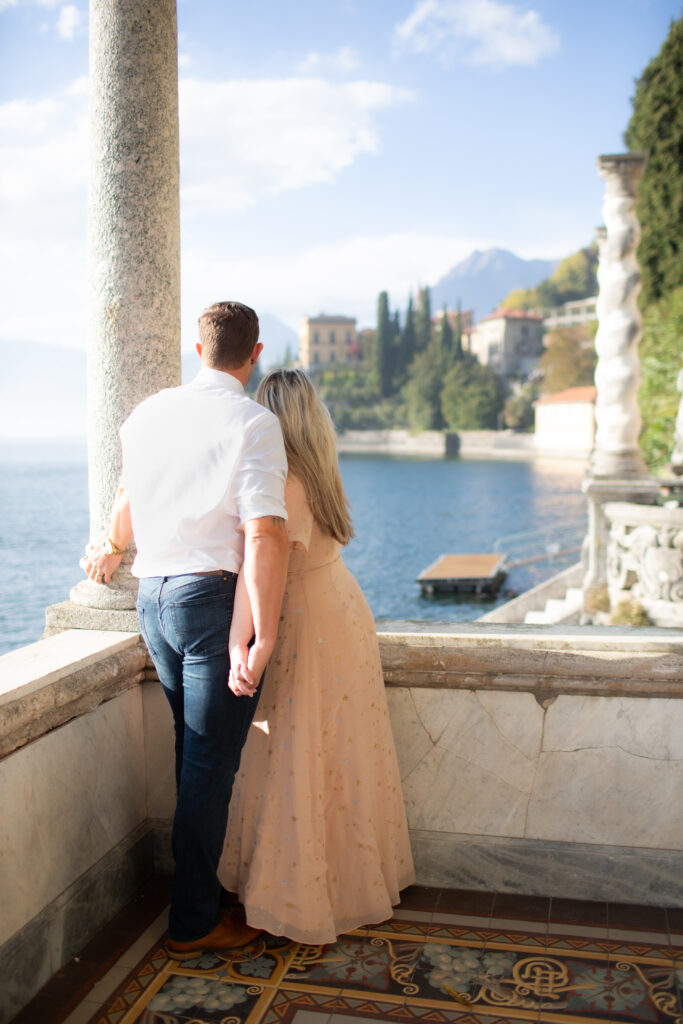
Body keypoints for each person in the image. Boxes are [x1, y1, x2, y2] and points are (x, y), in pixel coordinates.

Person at [84, 301, 289, 957]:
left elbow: (125, 504)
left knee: (192, 757)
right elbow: (263, 533)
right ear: (255, 355)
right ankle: (194, 920)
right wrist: (264, 636)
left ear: (195, 351)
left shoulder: (146, 416)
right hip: (211, 603)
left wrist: (111, 549)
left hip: (154, 597)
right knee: (206, 768)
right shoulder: (254, 422)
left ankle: (201, 891)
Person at [218, 368, 415, 944]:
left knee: (294, 751)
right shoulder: (323, 471)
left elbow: (264, 572)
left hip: (305, 619)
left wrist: (249, 641)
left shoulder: (281, 482)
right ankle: (353, 882)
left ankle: (297, 896)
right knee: (345, 750)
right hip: (344, 610)